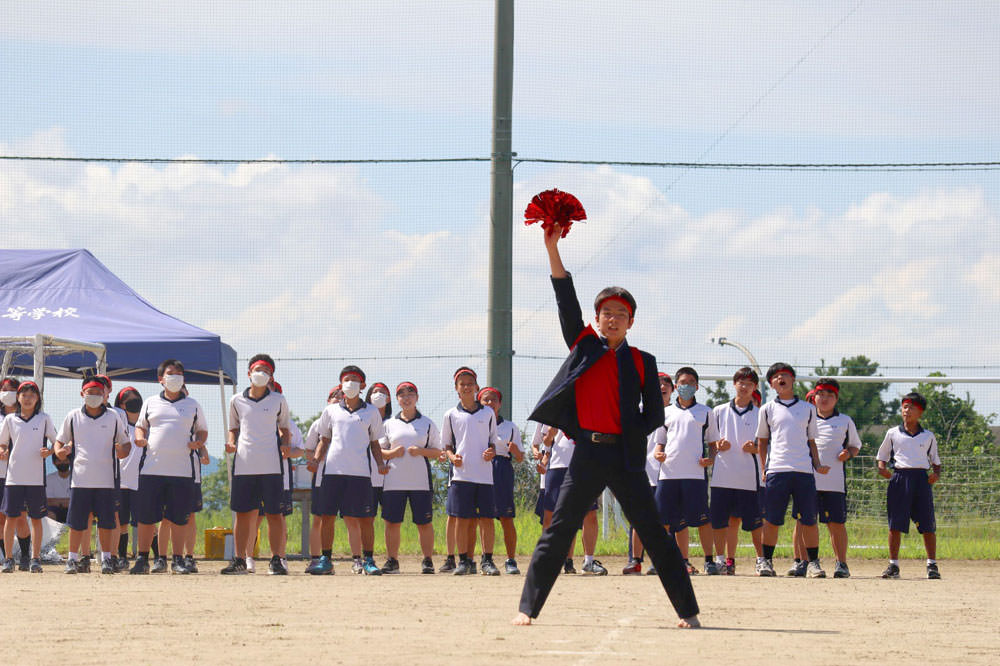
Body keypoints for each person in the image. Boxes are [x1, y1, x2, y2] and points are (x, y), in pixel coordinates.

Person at [514, 221, 699, 629]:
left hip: (625, 456)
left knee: (654, 533)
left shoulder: (642, 361)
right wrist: (552, 250)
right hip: (587, 454)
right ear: (596, 319)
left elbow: (654, 413)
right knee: (559, 531)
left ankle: (688, 612)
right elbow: (565, 300)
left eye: (621, 314)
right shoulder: (583, 347)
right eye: (606, 313)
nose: (612, 319)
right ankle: (527, 610)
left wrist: (630, 438)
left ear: (631, 322)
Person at [130, 359, 208, 575]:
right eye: (170, 373)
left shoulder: (193, 404)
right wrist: (140, 439)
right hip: (151, 469)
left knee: (179, 518)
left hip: (182, 471)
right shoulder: (150, 402)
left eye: (179, 373)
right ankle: (143, 559)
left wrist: (199, 442)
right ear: (161, 379)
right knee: (146, 518)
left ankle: (179, 560)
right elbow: (140, 427)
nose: (175, 377)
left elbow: (202, 430)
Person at [755, 363, 830, 578]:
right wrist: (764, 469)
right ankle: (766, 561)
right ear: (771, 383)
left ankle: (813, 563)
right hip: (777, 469)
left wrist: (816, 464)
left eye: (785, 375)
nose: (781, 379)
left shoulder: (808, 409)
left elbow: (812, 441)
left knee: (808, 519)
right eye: (776, 377)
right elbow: (762, 442)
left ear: (793, 380)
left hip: (803, 471)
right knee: (771, 519)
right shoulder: (767, 409)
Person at [313, 366, 389, 576]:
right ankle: (326, 560)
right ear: (341, 384)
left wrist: (381, 464)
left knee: (365, 519)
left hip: (361, 474)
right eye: (347, 379)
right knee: (327, 516)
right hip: (333, 472)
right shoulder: (330, 411)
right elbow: (324, 439)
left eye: (355, 379)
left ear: (363, 385)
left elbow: (375, 444)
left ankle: (369, 560)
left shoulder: (372, 412)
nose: (351, 383)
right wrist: (316, 459)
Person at [223, 354, 293, 575]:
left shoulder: (278, 400)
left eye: (266, 370)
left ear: (272, 375)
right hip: (244, 465)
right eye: (257, 369)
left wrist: (285, 443)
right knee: (243, 514)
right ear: (249, 373)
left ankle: (276, 560)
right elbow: (233, 428)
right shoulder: (236, 400)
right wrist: (232, 443)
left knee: (275, 514)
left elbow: (284, 428)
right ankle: (240, 559)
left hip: (271, 465)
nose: (261, 373)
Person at [54, 377, 132, 574]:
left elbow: (126, 443)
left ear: (104, 395)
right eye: (90, 393)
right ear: (82, 394)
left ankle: (106, 558)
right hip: (80, 479)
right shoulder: (73, 416)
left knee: (106, 522)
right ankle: (72, 559)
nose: (94, 397)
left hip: (106, 479)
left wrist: (122, 450)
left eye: (98, 393)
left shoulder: (113, 416)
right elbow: (59, 441)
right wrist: (59, 452)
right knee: (77, 523)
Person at [653, 366, 720, 575]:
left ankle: (709, 561)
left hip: (695, 475)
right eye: (682, 383)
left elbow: (713, 443)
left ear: (697, 386)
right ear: (675, 386)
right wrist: (658, 454)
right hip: (668, 474)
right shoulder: (665, 413)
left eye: (690, 383)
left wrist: (711, 458)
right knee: (663, 521)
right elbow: (659, 444)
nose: (686, 386)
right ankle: (661, 561)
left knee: (702, 519)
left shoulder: (706, 412)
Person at [797, 378, 861, 579]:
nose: (824, 399)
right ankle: (802, 562)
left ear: (836, 398)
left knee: (836, 523)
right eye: (821, 394)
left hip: (833, 483)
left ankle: (841, 563)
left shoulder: (845, 421)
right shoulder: (804, 419)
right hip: (806, 480)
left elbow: (855, 446)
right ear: (814, 396)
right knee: (803, 523)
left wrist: (848, 454)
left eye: (829, 395)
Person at [442, 367, 501, 576]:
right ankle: (464, 560)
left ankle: (487, 560)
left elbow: (493, 442)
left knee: (486, 519)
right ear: (456, 389)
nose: (466, 387)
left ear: (476, 387)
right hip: (461, 475)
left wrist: (491, 452)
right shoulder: (450, 415)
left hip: (484, 476)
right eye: (462, 384)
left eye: (470, 383)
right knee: (462, 519)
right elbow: (447, 445)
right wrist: (452, 457)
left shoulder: (488, 413)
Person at [876, 392, 941, 580]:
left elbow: (936, 461)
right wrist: (883, 469)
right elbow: (882, 457)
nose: (907, 411)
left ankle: (932, 565)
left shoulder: (928, 436)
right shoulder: (892, 433)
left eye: (912, 407)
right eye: (905, 407)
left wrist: (935, 474)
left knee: (927, 524)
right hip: (900, 478)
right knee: (895, 524)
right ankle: (893, 565)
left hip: (921, 480)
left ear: (920, 412)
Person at [379, 381, 442, 574]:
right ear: (397, 400)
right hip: (393, 480)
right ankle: (392, 560)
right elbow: (379, 450)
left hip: (420, 481)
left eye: (410, 394)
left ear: (417, 398)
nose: (406, 398)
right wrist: (391, 454)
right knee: (392, 522)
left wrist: (421, 451)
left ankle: (428, 560)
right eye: (402, 395)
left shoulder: (428, 423)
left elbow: (438, 451)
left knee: (424, 522)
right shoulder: (388, 424)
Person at [709, 367, 765, 576]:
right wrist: (717, 445)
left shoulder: (761, 414)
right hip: (722, 476)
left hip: (749, 478)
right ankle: (722, 560)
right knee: (721, 521)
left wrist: (756, 448)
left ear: (755, 387)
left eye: (749, 383)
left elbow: (768, 446)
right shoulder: (719, 411)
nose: (744, 387)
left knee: (754, 522)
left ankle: (762, 560)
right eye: (741, 382)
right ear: (734, 384)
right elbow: (710, 442)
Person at [0, 381, 57, 574]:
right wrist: (3, 450)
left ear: (38, 399)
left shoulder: (44, 419)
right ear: (18, 398)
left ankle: (35, 558)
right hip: (13, 477)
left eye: (32, 394)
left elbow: (56, 442)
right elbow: (2, 443)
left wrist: (48, 452)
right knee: (11, 518)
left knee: (36, 518)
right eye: (24, 394)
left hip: (36, 479)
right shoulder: (9, 420)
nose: (28, 398)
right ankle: (8, 559)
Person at [538, 428, 607, 575]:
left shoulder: (588, 412)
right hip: (557, 467)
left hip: (584, 466)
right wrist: (550, 434)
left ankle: (588, 561)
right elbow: (546, 443)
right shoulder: (554, 412)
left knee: (590, 515)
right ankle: (547, 560)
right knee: (549, 517)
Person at [624, 373, 672, 575]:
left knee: (665, 520)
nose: (661, 388)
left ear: (672, 390)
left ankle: (660, 561)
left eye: (665, 385)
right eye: (656, 385)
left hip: (669, 474)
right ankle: (635, 560)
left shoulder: (677, 413)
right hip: (641, 472)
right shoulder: (637, 413)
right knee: (639, 518)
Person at [477, 387, 524, 575]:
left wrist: (514, 450)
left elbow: (520, 457)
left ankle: (511, 560)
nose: (489, 403)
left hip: (502, 468)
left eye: (493, 400)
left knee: (506, 517)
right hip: (481, 468)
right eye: (485, 400)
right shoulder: (477, 422)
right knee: (482, 517)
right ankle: (485, 559)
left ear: (500, 403)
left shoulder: (510, 427)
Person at [304, 386, 341, 575]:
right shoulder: (319, 424)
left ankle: (359, 559)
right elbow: (308, 449)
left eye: (341, 396)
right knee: (319, 518)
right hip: (322, 478)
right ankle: (316, 558)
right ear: (328, 401)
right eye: (334, 396)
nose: (338, 398)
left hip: (348, 475)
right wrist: (316, 461)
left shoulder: (351, 420)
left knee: (353, 519)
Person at [0, 377, 34, 569]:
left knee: (20, 515)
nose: (7, 393)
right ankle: (7, 557)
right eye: (3, 389)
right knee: (1, 517)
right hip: (0, 473)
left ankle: (26, 556)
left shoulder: (34, 417)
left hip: (19, 474)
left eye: (12, 389)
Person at [362, 382, 392, 573]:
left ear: (389, 399)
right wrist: (388, 453)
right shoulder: (362, 418)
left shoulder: (393, 422)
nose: (378, 395)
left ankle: (392, 559)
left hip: (390, 480)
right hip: (367, 478)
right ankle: (364, 558)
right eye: (375, 392)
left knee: (391, 521)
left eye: (383, 392)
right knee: (366, 520)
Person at [113, 386, 144, 570]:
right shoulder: (118, 423)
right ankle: (122, 557)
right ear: (121, 404)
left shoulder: (145, 425)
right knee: (122, 522)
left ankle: (154, 557)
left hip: (141, 481)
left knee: (145, 521)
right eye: (127, 400)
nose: (131, 403)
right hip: (121, 480)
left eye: (135, 399)